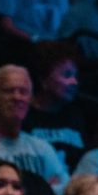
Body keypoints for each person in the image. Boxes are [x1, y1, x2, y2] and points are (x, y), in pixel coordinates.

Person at [0, 65, 67, 195]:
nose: (17, 97)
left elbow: (65, 189)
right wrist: (44, 188)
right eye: (9, 91)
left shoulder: (42, 148)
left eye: (23, 92)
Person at [24, 41, 86, 174]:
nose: (74, 82)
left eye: (75, 76)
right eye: (67, 75)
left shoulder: (76, 117)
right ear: (44, 80)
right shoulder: (25, 116)